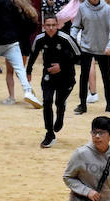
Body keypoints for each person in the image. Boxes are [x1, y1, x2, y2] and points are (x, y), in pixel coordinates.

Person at [28, 14, 80, 148]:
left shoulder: (65, 38)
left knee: (59, 102)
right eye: (48, 25)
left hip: (66, 76)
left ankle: (60, 115)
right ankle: (49, 133)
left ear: (57, 25)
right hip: (48, 75)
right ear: (43, 26)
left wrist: (61, 66)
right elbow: (33, 54)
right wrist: (28, 71)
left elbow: (79, 56)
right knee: (47, 101)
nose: (51, 28)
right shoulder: (39, 39)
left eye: (53, 25)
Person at [73, 0, 110, 115]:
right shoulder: (82, 8)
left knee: (107, 77)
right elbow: (76, 26)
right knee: (83, 76)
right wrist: (73, 40)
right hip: (87, 47)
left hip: (103, 48)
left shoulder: (107, 10)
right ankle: (82, 105)